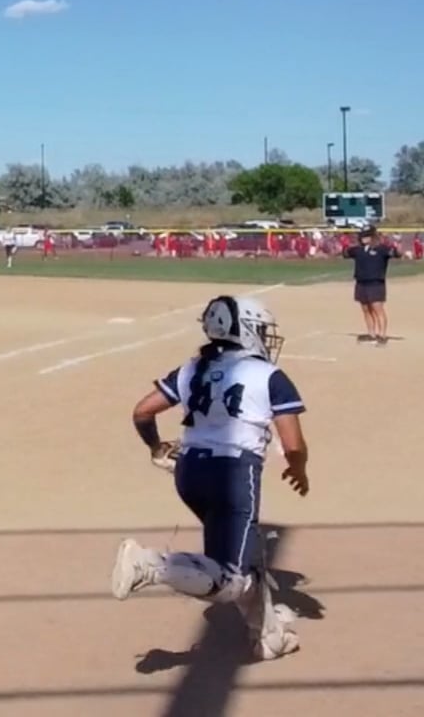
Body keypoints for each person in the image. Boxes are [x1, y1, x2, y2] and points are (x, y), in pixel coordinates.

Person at [109, 295, 307, 662]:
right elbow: (293, 445)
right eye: (261, 329)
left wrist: (156, 447)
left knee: (246, 554)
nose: (265, 337)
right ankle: (152, 565)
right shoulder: (268, 375)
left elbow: (143, 411)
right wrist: (299, 469)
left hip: (189, 474)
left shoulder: (192, 368)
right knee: (233, 580)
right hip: (233, 475)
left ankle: (268, 637)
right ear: (245, 329)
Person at [342, 225, 398, 345]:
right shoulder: (358, 250)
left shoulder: (381, 249)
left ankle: (382, 335)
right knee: (366, 309)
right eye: (362, 236)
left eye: (367, 236)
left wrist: (396, 249)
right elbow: (345, 253)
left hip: (375, 283)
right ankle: (371, 333)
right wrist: (345, 245)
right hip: (361, 282)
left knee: (378, 309)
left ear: (373, 236)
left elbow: (395, 253)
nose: (364, 238)